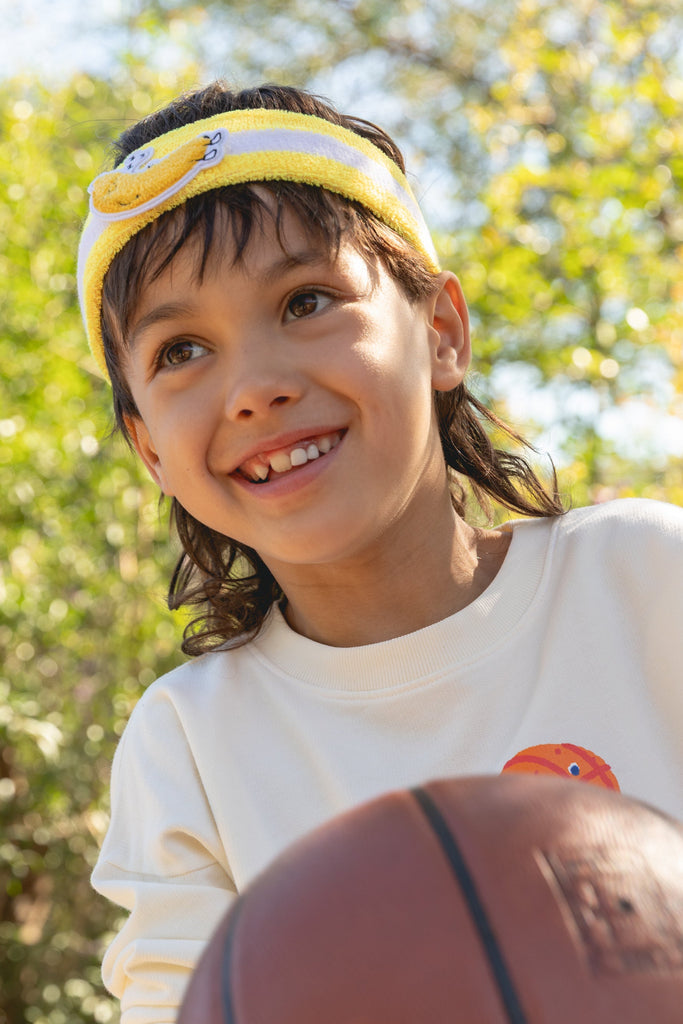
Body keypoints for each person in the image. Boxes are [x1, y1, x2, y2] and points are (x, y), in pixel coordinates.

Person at [77, 81, 683, 1023]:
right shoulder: (189, 745)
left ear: (440, 333)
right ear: (149, 447)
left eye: (305, 299)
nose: (254, 389)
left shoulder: (645, 581)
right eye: (181, 351)